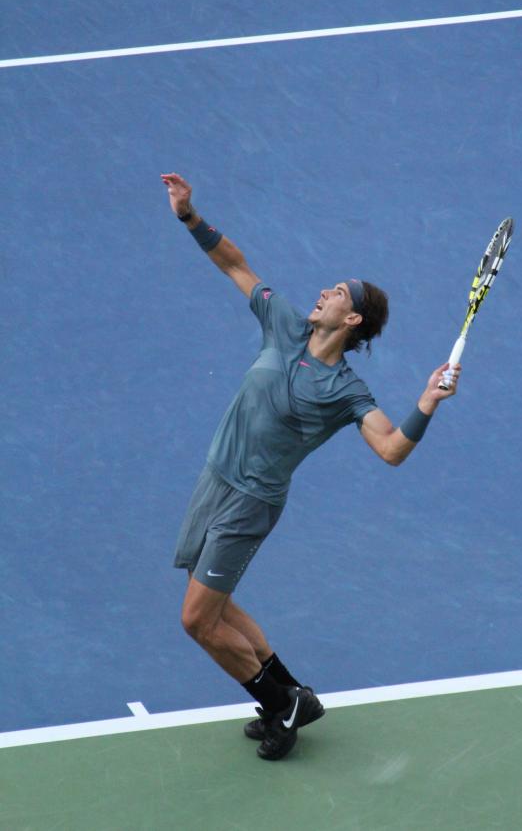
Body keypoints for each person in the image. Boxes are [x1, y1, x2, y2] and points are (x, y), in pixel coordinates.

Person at [160, 172, 461, 761]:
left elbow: (391, 449)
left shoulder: (346, 390)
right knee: (215, 603)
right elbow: (235, 264)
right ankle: (294, 694)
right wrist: (189, 215)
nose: (324, 292)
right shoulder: (285, 324)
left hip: (251, 502)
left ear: (352, 321)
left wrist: (427, 402)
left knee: (197, 620)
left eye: (338, 293)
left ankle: (281, 704)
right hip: (215, 478)